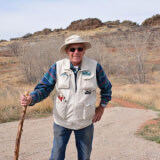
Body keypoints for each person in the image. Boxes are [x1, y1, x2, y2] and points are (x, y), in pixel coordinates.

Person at [20, 35, 112, 160]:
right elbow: (44, 88)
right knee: (56, 156)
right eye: (72, 49)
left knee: (84, 157)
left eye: (79, 49)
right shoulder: (57, 67)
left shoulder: (95, 67)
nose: (76, 52)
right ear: (67, 51)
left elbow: (106, 88)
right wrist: (31, 98)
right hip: (61, 122)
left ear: (84, 50)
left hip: (85, 123)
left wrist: (101, 108)